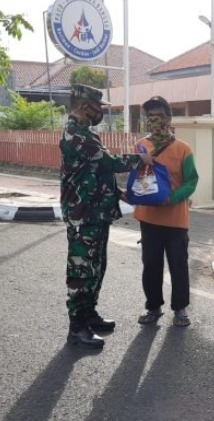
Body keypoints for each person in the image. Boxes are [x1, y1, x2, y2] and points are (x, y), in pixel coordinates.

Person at [61, 84, 152, 349]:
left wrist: (118, 192)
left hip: (96, 212)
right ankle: (76, 327)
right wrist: (141, 159)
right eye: (98, 107)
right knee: (81, 270)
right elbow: (108, 163)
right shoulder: (74, 134)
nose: (100, 112)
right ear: (84, 106)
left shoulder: (85, 133)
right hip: (82, 216)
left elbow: (97, 172)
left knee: (97, 267)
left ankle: (89, 315)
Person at [134, 96, 199, 327]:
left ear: (169, 119)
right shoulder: (141, 145)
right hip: (148, 217)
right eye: (150, 117)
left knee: (178, 264)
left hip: (175, 219)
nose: (155, 121)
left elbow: (192, 181)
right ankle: (153, 307)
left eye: (159, 116)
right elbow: (139, 178)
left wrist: (173, 198)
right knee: (151, 264)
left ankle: (180, 309)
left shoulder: (183, 149)